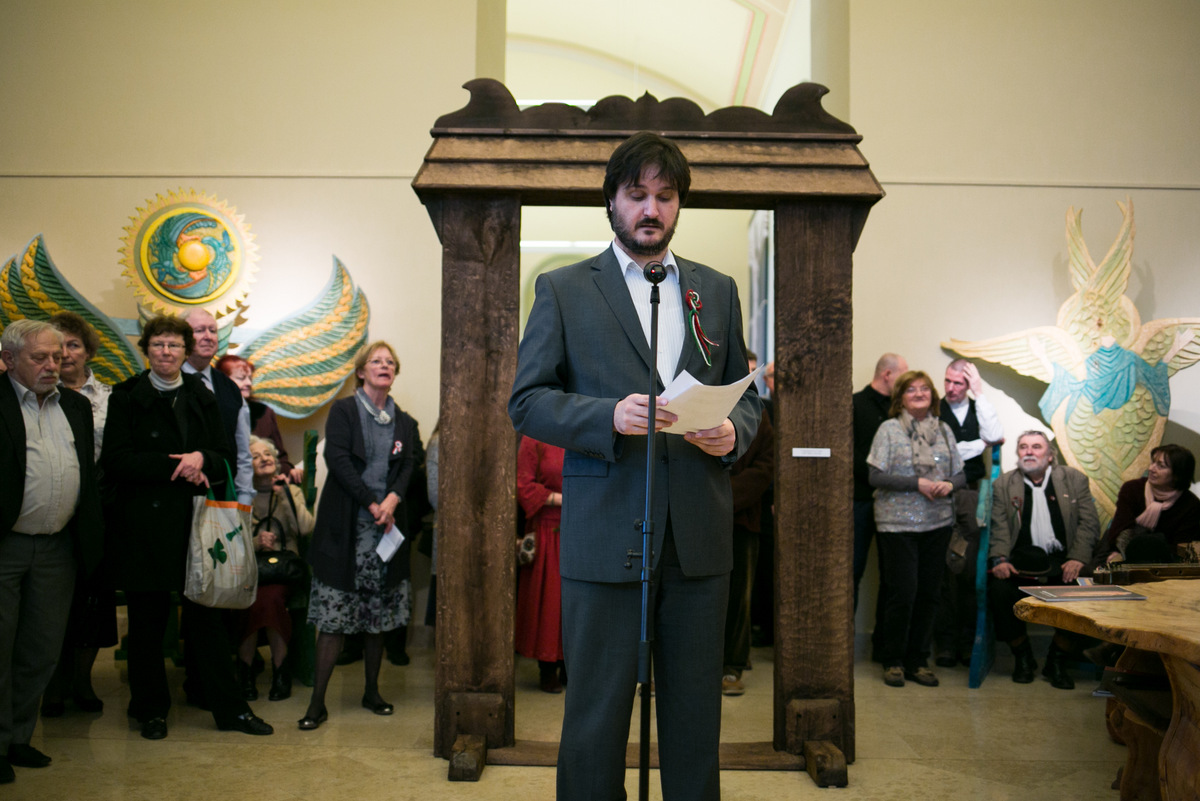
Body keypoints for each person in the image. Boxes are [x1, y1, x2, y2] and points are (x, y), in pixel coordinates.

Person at [508, 131, 760, 801]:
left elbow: (746, 394)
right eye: (637, 194)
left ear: (679, 205)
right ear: (612, 201)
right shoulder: (564, 290)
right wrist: (605, 417)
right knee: (595, 719)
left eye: (665, 196)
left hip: (698, 537)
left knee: (695, 718)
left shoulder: (716, 290)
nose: (651, 209)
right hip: (604, 533)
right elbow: (526, 402)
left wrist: (732, 431)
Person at [102, 314, 273, 739]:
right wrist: (177, 466)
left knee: (208, 622)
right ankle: (150, 711)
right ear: (146, 349)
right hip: (144, 525)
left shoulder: (201, 394)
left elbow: (223, 455)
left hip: (195, 523)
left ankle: (230, 710)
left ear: (185, 351)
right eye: (158, 344)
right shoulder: (126, 395)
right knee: (148, 624)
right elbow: (117, 460)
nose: (166, 352)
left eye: (174, 345)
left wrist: (202, 459)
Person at [0, 320, 103, 784]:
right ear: (9, 359)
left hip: (59, 547)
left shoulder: (76, 406)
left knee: (41, 650)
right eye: (39, 357)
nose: (51, 366)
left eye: (57, 357)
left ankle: (17, 737)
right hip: (7, 544)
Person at [299, 341, 416, 730]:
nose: (384, 366)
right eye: (376, 361)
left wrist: (392, 500)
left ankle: (372, 692)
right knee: (333, 619)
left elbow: (408, 464)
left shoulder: (403, 420)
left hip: (385, 530)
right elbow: (337, 460)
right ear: (361, 371)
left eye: (390, 362)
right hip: (346, 529)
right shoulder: (344, 411)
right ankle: (317, 704)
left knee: (376, 617)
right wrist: (372, 502)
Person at [867, 369, 964, 688]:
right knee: (903, 593)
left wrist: (949, 484)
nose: (919, 393)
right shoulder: (889, 429)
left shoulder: (944, 430)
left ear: (933, 396)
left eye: (925, 388)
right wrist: (916, 483)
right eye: (911, 389)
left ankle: (918, 661)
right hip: (897, 525)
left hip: (938, 523)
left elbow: (960, 474)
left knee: (929, 594)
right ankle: (893, 660)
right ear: (900, 398)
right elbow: (875, 477)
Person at [40, 312, 116, 717]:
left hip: (98, 510)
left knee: (93, 599)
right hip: (51, 507)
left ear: (88, 351)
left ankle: (83, 680)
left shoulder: (109, 398)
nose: (65, 354)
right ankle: (53, 684)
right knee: (52, 601)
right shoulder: (37, 394)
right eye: (58, 347)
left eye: (73, 345)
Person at [988, 430, 1100, 689]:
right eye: (1023, 447)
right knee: (999, 590)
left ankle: (1056, 660)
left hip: (1063, 561)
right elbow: (999, 525)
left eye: (1036, 447)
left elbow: (1089, 523)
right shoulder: (1004, 484)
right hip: (1021, 562)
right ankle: (1022, 656)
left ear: (1050, 455)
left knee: (1082, 592)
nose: (1029, 451)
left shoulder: (1073, 479)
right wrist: (1000, 559)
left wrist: (1077, 558)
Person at [934, 359, 1004, 667]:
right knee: (942, 571)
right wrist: (979, 445)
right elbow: (940, 453)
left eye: (959, 383)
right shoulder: (933, 410)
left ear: (969, 385)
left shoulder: (979, 408)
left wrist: (980, 392)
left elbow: (996, 434)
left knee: (968, 569)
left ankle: (966, 642)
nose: (951, 388)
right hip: (937, 494)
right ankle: (945, 643)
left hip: (971, 495)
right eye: (947, 381)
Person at [236, 436, 314, 702]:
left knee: (269, 598)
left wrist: (284, 497)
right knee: (251, 597)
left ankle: (278, 670)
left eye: (267, 454)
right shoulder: (243, 495)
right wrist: (256, 542)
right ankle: (247, 671)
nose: (264, 459)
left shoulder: (290, 491)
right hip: (251, 570)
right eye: (256, 456)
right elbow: (233, 538)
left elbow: (305, 528)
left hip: (283, 571)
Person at [853, 352, 908, 662]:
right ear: (888, 375)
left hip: (896, 503)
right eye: (904, 373)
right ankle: (842, 646)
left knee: (893, 577)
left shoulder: (901, 411)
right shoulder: (854, 404)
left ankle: (885, 648)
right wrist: (881, 478)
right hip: (859, 501)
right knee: (851, 574)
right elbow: (846, 454)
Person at [515, 436, 567, 693]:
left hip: (582, 526)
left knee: (574, 603)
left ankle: (570, 666)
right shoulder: (534, 437)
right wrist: (560, 499)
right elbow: (523, 485)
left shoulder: (581, 431)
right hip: (547, 529)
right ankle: (547, 667)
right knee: (549, 603)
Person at [1097, 444, 1200, 564]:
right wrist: (1122, 554)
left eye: (1161, 466)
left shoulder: (1191, 505)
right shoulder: (1132, 489)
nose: (1151, 468)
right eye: (1153, 463)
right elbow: (1119, 530)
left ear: (1177, 474)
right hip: (1120, 550)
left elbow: (1181, 548)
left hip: (1165, 562)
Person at [215, 354, 302, 482]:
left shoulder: (264, 413)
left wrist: (288, 471)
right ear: (222, 381)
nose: (248, 383)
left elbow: (280, 456)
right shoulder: (213, 413)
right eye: (241, 378)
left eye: (250, 378)